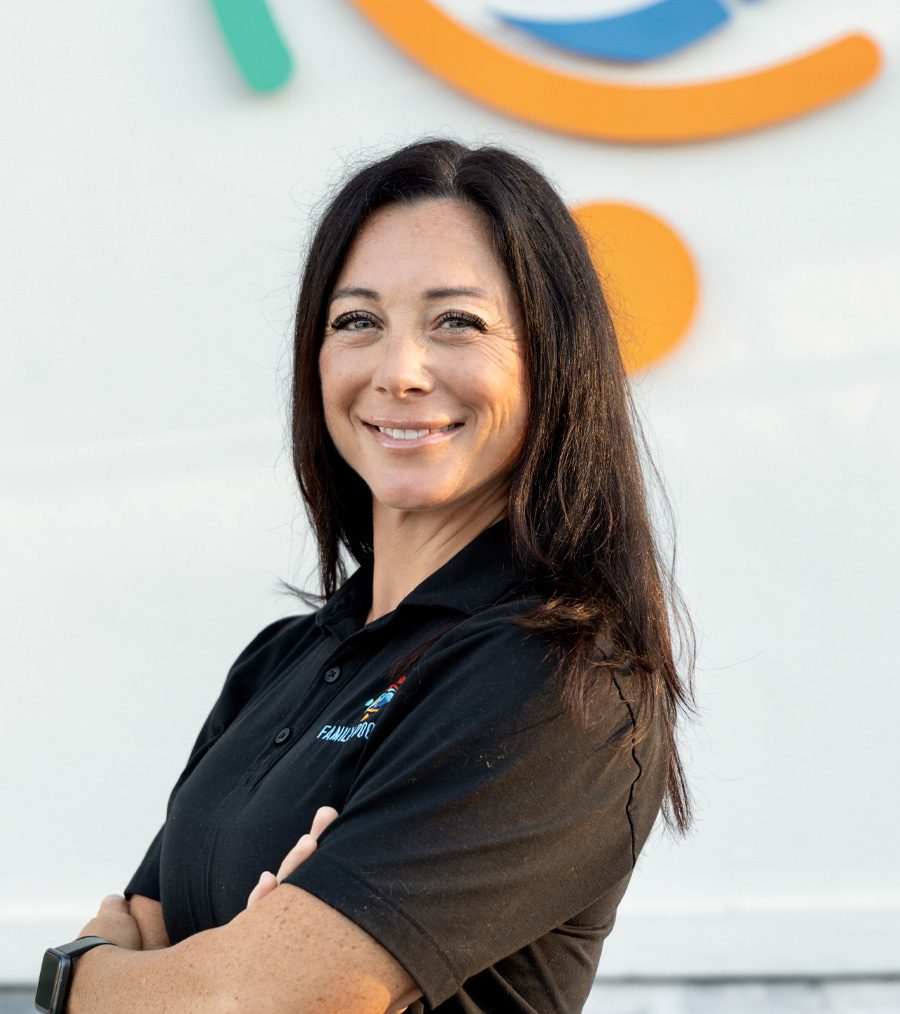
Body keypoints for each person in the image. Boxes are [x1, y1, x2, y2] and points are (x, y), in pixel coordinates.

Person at [47, 138, 694, 1014]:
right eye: (357, 322)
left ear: (551, 361)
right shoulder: (279, 663)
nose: (399, 372)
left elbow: (243, 1004)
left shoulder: (561, 679)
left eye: (456, 321)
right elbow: (150, 930)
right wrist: (210, 967)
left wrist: (77, 977)